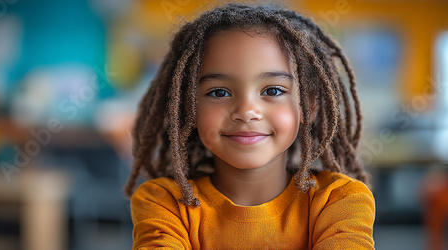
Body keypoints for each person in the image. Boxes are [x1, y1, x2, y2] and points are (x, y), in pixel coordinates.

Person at [123, 3, 375, 249]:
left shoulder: (339, 200)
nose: (246, 112)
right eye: (219, 92)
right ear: (189, 107)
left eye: (273, 90)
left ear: (308, 106)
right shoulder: (164, 202)